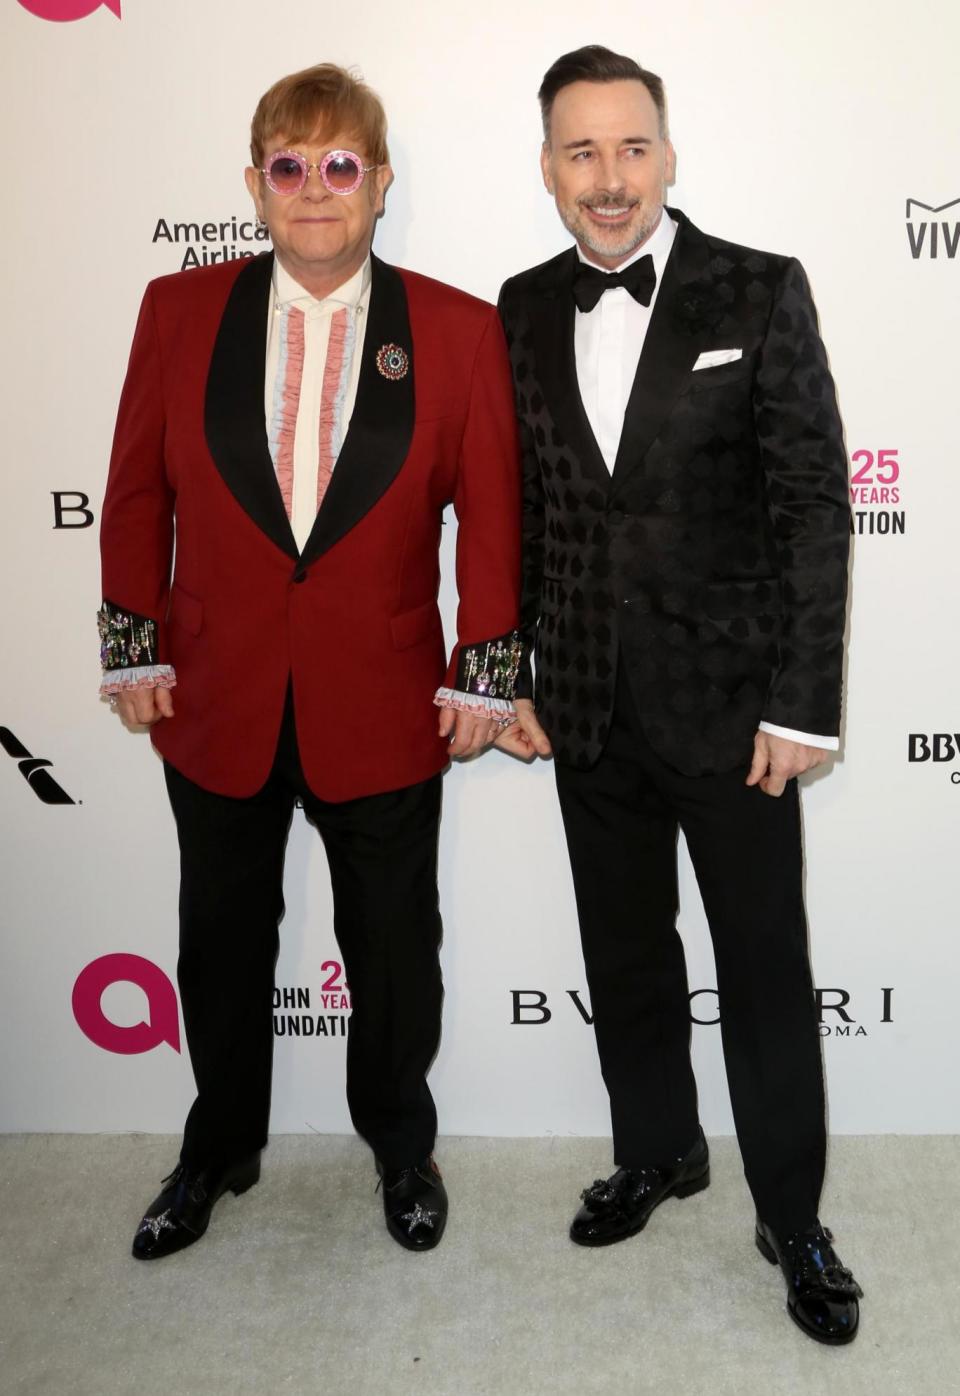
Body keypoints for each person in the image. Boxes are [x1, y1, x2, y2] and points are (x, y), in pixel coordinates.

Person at [98, 62, 521, 1261]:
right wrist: (132, 646)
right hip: (214, 691)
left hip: (384, 698)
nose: (316, 190)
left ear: (380, 183)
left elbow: (491, 514)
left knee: (393, 948)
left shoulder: (455, 327)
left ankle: (400, 1143)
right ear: (254, 185)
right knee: (219, 941)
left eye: (342, 166)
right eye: (290, 167)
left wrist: (486, 670)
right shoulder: (176, 314)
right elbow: (133, 494)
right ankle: (217, 1145)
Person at [498, 45, 862, 1344]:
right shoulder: (520, 308)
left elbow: (817, 509)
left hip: (737, 711)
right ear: (548, 168)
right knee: (630, 957)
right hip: (586, 703)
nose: (609, 178)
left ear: (669, 153)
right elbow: (519, 515)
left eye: (631, 146)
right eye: (581, 151)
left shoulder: (758, 290)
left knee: (765, 970)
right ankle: (659, 1150)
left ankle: (793, 1212)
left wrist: (803, 703)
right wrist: (510, 678)